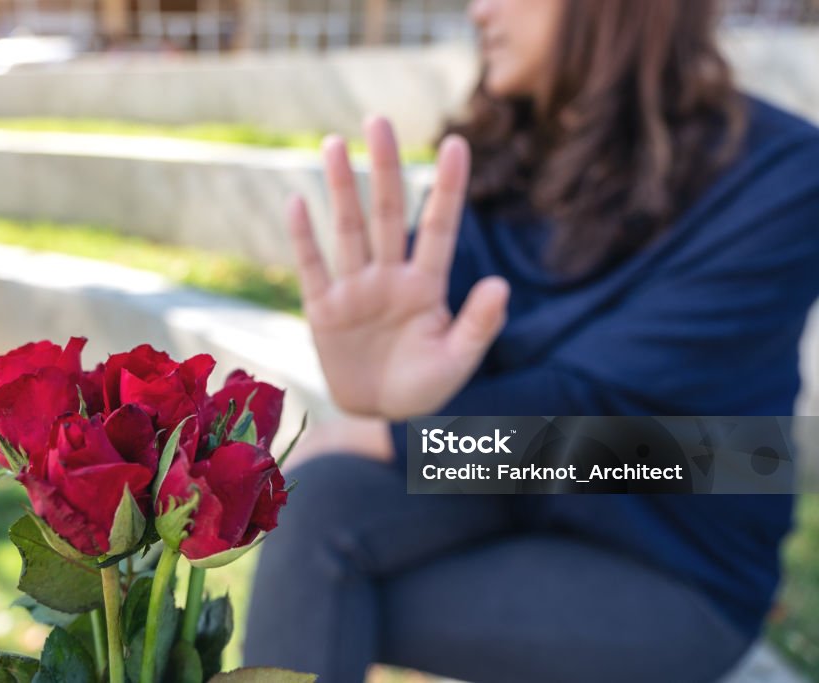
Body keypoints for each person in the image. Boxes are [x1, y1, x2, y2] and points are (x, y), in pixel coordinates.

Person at [243, 0, 819, 681]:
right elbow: (447, 390)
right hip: (498, 490)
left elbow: (646, 446)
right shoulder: (499, 154)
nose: (477, 9)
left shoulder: (782, 174)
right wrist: (385, 392)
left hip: (669, 551)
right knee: (320, 500)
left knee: (315, 589)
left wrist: (392, 438)